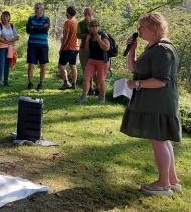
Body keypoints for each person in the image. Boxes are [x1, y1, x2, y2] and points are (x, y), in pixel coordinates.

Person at [120, 13, 181, 196]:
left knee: (159, 141)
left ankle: (163, 184)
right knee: (162, 140)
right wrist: (132, 49)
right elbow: (134, 68)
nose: (139, 31)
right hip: (155, 102)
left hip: (159, 102)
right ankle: (172, 180)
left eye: (142, 27)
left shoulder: (163, 50)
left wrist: (136, 84)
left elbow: (161, 81)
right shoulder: (153, 47)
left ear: (154, 29)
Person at [76, 19, 111, 104]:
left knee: (101, 80)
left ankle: (102, 97)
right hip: (91, 60)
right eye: (92, 26)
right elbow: (88, 52)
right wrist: (87, 42)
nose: (94, 27)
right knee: (86, 77)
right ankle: (84, 96)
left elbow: (106, 48)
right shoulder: (90, 36)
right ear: (89, 28)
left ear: (99, 27)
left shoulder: (103, 35)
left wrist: (99, 40)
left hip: (102, 61)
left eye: (96, 26)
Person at [25, 3, 50, 90]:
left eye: (37, 8)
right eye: (35, 8)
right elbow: (28, 30)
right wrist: (39, 28)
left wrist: (33, 28)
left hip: (43, 45)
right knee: (31, 64)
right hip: (32, 44)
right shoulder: (30, 18)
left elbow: (45, 29)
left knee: (42, 64)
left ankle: (41, 83)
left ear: (42, 9)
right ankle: (30, 83)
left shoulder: (46, 19)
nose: (35, 9)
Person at [0, 11, 19, 87]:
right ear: (1, 17)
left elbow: (17, 37)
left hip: (10, 48)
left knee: (7, 65)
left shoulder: (12, 26)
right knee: (1, 65)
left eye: (7, 16)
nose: (5, 17)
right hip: (1, 48)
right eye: (4, 16)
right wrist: (8, 41)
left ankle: (6, 81)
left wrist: (8, 40)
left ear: (9, 17)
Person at [58, 6, 79, 90]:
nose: (65, 14)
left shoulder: (68, 22)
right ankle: (74, 83)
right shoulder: (77, 22)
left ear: (68, 13)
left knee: (61, 66)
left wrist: (61, 48)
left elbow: (66, 37)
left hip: (68, 48)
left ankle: (66, 82)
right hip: (76, 48)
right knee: (73, 65)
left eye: (66, 12)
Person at [77, 7, 97, 95]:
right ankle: (90, 88)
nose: (87, 15)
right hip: (83, 48)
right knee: (85, 69)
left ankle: (97, 88)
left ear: (92, 14)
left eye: (89, 13)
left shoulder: (95, 23)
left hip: (94, 48)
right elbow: (78, 35)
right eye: (85, 14)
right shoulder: (80, 24)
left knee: (94, 69)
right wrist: (88, 35)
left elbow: (98, 33)